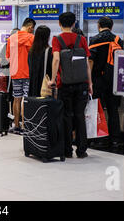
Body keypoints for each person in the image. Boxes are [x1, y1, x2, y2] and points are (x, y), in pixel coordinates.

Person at [49, 12, 93, 159]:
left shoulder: (57, 39)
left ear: (59, 23)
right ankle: (81, 150)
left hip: (65, 84)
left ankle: (67, 150)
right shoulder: (81, 39)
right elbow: (87, 63)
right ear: (74, 24)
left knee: (66, 116)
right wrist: (90, 83)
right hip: (82, 84)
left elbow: (56, 60)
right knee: (80, 116)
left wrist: (53, 80)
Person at [89, 16, 123, 148]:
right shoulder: (118, 40)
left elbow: (90, 60)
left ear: (98, 25)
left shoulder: (95, 39)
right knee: (113, 109)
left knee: (97, 109)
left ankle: (99, 138)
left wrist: (89, 79)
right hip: (114, 80)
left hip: (98, 79)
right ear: (112, 26)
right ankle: (115, 139)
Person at [6, 18, 36, 134]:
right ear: (30, 27)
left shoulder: (11, 39)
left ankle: (16, 125)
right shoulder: (31, 38)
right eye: (32, 29)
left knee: (16, 99)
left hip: (15, 74)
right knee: (26, 99)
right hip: (28, 73)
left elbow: (7, 57)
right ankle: (25, 126)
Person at [28, 25, 53, 97]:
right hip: (45, 85)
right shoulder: (49, 51)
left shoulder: (31, 51)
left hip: (33, 85)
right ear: (47, 37)